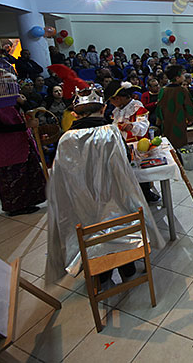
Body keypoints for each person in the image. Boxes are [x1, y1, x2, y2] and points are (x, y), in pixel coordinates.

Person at [45, 85, 165, 283]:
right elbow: (124, 164)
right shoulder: (111, 132)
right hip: (113, 203)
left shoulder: (66, 139)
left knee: (89, 220)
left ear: (75, 115)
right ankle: (127, 267)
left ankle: (100, 272)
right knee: (120, 214)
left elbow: (61, 180)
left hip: (83, 207)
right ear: (102, 110)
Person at [0, 99, 46, 216]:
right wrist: (25, 125)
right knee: (13, 177)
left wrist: (23, 102)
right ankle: (17, 208)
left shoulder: (10, 101)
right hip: (5, 148)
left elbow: (32, 109)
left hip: (22, 144)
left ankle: (31, 201)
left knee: (29, 173)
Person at [156, 64, 193, 149]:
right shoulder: (182, 91)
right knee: (180, 143)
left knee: (168, 143)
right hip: (179, 121)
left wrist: (159, 120)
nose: (184, 77)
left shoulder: (163, 90)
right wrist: (191, 119)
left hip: (166, 121)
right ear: (177, 78)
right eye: (182, 75)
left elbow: (159, 107)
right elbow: (189, 106)